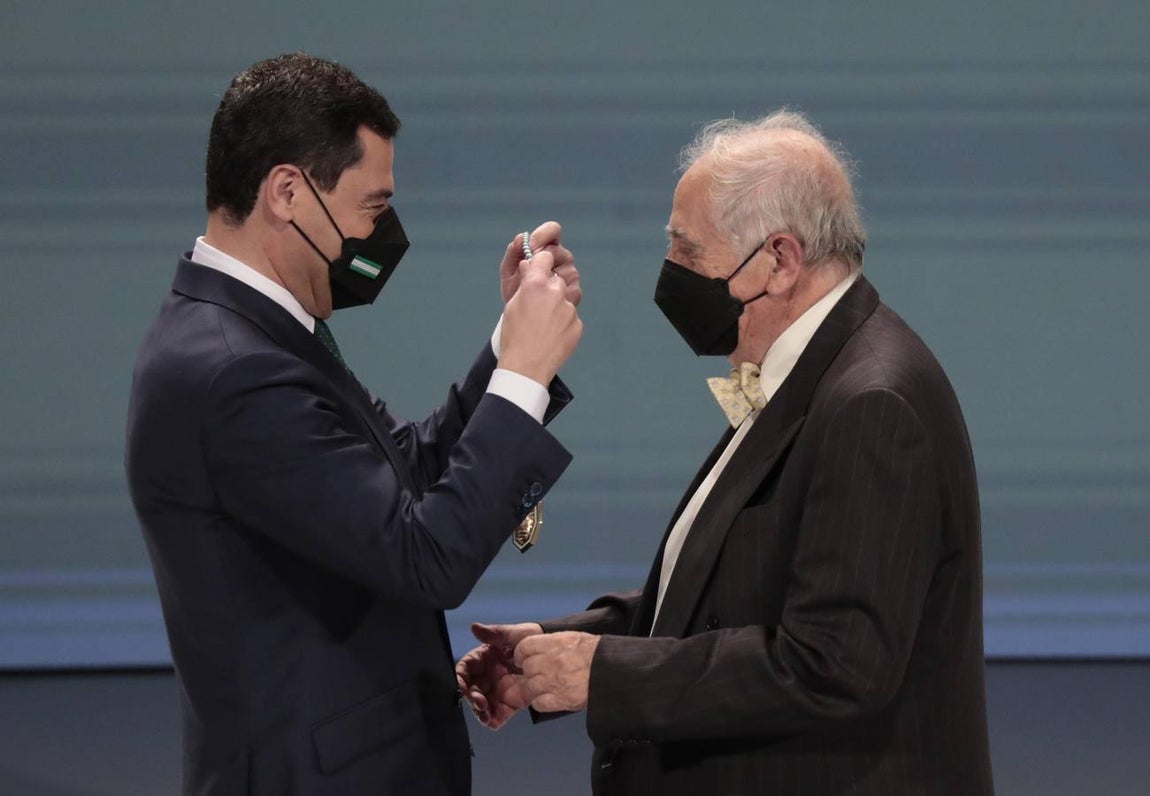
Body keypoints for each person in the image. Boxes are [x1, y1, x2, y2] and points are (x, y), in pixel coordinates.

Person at [457, 110, 994, 795]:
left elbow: (832, 662)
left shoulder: (871, 404)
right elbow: (727, 589)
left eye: (687, 251)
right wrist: (555, 650)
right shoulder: (801, 374)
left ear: (779, 260)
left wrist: (603, 671)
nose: (669, 274)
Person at [125, 53, 583, 795]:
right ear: (288, 193)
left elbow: (402, 473)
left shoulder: (260, 335)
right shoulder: (233, 369)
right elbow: (426, 557)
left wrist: (507, 349)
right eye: (372, 205)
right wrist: (523, 379)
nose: (383, 232)